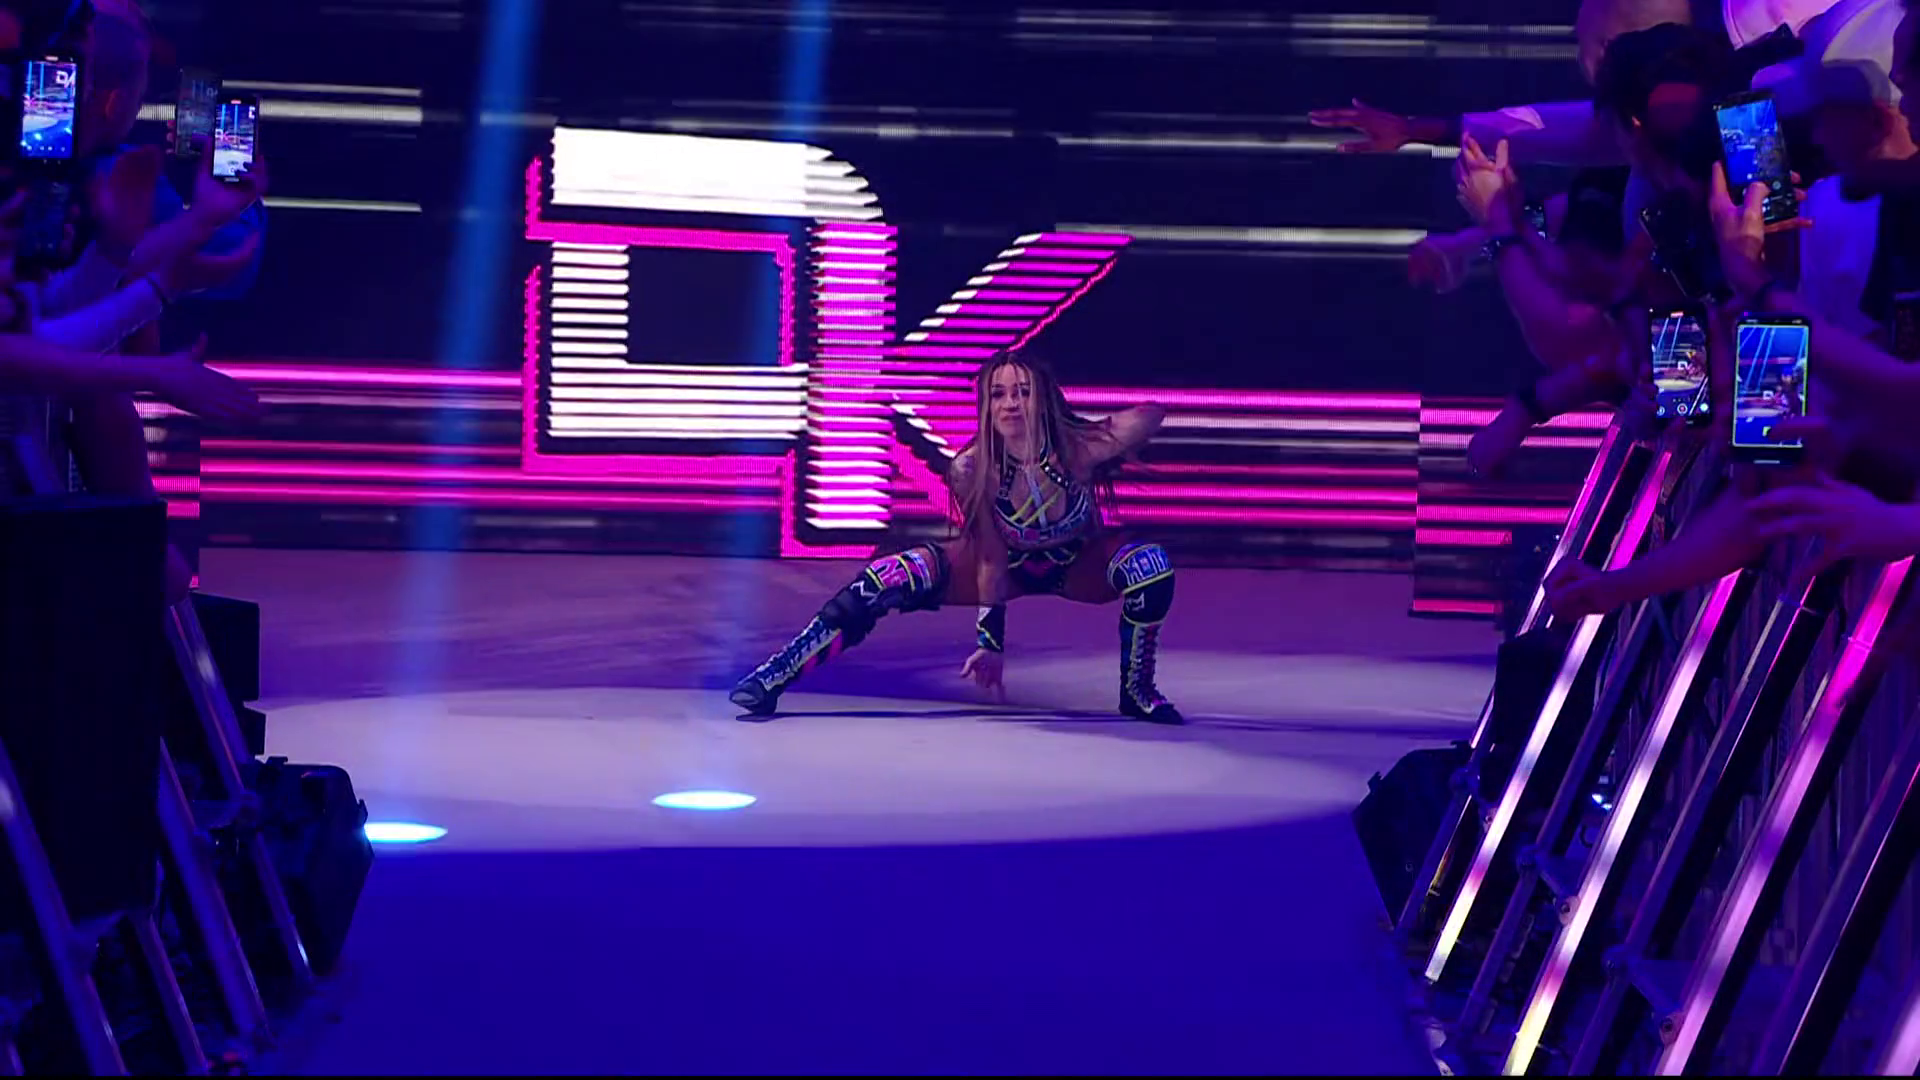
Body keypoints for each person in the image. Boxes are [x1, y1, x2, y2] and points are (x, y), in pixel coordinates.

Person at [730, 352, 1184, 724]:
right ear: (985, 406)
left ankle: (1137, 690)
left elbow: (1150, 415)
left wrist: (1083, 436)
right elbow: (990, 556)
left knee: (1149, 565)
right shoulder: (971, 469)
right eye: (998, 394)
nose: (1010, 404)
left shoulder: (1078, 450)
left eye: (1024, 393)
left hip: (1077, 564)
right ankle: (775, 676)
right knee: (883, 579)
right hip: (1007, 566)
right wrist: (990, 643)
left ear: (1043, 399)